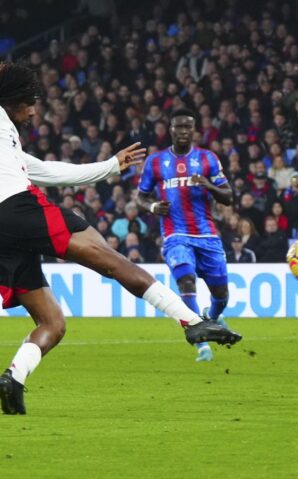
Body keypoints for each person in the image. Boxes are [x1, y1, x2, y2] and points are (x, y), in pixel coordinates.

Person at [0, 63, 241, 415]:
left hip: (4, 230)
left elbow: (48, 171)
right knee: (111, 259)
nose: (34, 110)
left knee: (52, 322)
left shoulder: (8, 138)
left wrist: (110, 165)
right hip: (18, 206)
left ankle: (13, 379)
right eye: (28, 102)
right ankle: (192, 322)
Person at [137, 108, 237, 363]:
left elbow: (228, 196)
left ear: (194, 130)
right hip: (174, 234)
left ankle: (212, 317)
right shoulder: (156, 162)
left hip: (207, 236)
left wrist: (208, 185)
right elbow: (141, 196)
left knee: (221, 294)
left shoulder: (208, 159)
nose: (183, 132)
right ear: (170, 129)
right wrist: (151, 207)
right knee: (186, 282)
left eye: (187, 127)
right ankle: (201, 343)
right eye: (178, 127)